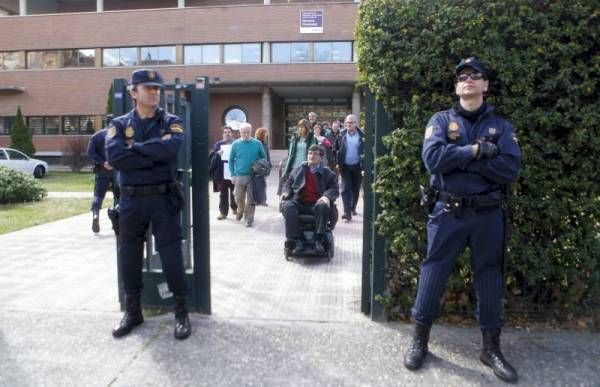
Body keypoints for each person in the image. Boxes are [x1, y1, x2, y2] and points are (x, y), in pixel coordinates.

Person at [403, 57, 521, 383]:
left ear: (485, 85)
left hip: (487, 215)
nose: (468, 79)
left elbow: (509, 169)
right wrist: (477, 152)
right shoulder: (440, 121)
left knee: (489, 277)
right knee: (433, 273)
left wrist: (459, 159)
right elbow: (433, 160)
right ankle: (419, 341)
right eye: (462, 76)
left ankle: (491, 349)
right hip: (447, 213)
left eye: (475, 75)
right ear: (457, 87)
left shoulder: (502, 127)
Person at [105, 69, 191, 340]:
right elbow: (116, 157)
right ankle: (133, 311)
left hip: (162, 198)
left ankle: (181, 311)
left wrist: (134, 150)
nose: (154, 92)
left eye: (157, 88)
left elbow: (171, 149)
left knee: (171, 256)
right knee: (129, 255)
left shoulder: (171, 120)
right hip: (130, 199)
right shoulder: (118, 124)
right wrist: (153, 152)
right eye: (148, 88)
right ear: (133, 92)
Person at [281, 144, 338, 255]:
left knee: (322, 205)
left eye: (315, 154)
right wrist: (286, 192)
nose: (311, 156)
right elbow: (288, 183)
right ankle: (297, 240)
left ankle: (318, 240)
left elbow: (334, 189)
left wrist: (326, 196)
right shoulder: (299, 170)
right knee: (288, 206)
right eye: (310, 153)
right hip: (299, 202)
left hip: (317, 203)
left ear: (321, 157)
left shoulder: (327, 173)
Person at [228, 123, 266, 227]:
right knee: (238, 197)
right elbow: (231, 160)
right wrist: (232, 174)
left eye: (247, 132)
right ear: (240, 133)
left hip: (253, 176)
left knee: (251, 199)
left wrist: (258, 165)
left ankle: (249, 219)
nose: (245, 134)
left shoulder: (257, 143)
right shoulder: (235, 144)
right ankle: (240, 209)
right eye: (243, 132)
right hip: (239, 175)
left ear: (251, 132)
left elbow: (264, 157)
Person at [87, 114, 120, 233]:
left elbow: (90, 152)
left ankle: (96, 214)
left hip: (102, 171)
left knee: (98, 195)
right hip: (117, 171)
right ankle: (116, 221)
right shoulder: (118, 136)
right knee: (118, 196)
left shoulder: (96, 136)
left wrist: (102, 162)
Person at [334, 114, 364, 221]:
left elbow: (365, 151)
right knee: (346, 188)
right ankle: (347, 212)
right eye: (347, 122)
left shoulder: (362, 136)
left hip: (358, 166)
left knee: (355, 189)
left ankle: (352, 208)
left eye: (351, 122)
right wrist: (337, 162)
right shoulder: (341, 135)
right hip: (345, 166)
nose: (348, 124)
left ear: (356, 124)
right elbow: (335, 149)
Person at [210, 125, 237, 220]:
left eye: (229, 132)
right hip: (222, 173)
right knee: (223, 194)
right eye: (225, 132)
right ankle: (223, 212)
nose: (227, 134)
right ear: (223, 134)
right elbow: (212, 155)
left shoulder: (236, 143)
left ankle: (235, 208)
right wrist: (217, 154)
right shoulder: (218, 144)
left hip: (234, 172)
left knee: (235, 192)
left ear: (232, 133)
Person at [252, 127, 271, 206]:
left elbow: (267, 154)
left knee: (263, 184)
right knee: (255, 184)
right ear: (261, 134)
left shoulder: (265, 143)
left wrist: (269, 164)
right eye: (265, 134)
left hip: (264, 166)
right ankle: (257, 200)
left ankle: (263, 201)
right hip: (257, 166)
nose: (266, 135)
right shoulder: (254, 143)